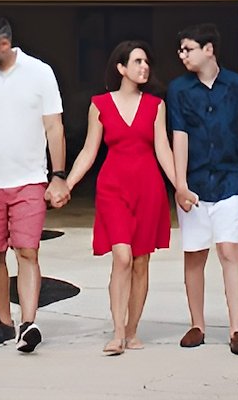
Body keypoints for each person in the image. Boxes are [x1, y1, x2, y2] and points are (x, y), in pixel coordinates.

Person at [0, 15, 68, 353]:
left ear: (4, 44)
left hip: (30, 180)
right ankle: (4, 323)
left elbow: (54, 128)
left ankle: (28, 323)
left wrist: (58, 176)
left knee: (27, 250)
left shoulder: (40, 72)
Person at [62, 40, 176, 356]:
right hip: (113, 187)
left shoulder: (155, 105)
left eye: (147, 62)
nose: (144, 67)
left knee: (141, 261)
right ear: (121, 68)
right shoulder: (100, 104)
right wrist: (67, 184)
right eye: (138, 61)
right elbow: (89, 150)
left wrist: (180, 186)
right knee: (122, 256)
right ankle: (117, 332)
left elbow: (163, 149)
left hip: (148, 188)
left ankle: (132, 330)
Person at [166, 23, 238, 355]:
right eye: (180, 50)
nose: (182, 55)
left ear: (208, 49)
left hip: (231, 181)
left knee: (229, 250)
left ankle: (237, 329)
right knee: (195, 254)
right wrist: (180, 185)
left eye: (188, 49)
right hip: (195, 185)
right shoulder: (178, 90)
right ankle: (197, 325)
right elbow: (179, 137)